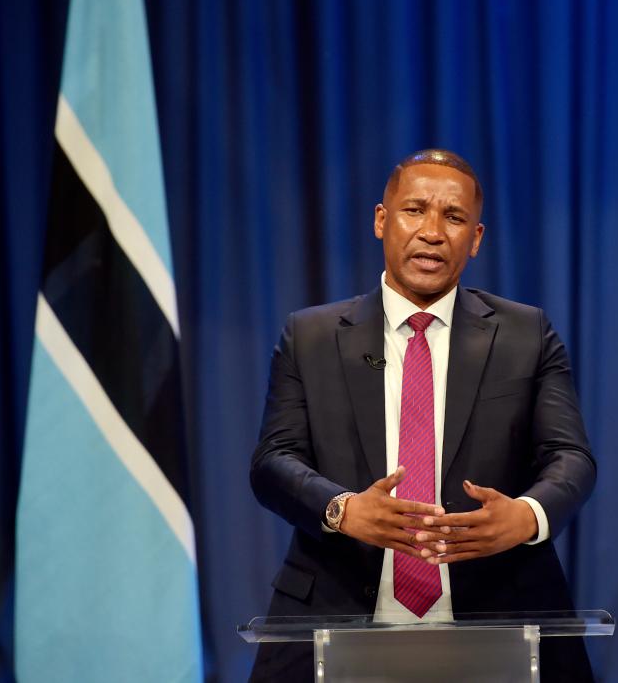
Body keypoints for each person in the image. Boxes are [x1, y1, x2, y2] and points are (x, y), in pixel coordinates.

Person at [249, 149, 596, 681]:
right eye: (415, 210)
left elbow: (571, 457)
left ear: (475, 238)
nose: (432, 232)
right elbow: (273, 461)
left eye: (453, 217)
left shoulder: (527, 334)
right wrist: (342, 510)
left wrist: (526, 516)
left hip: (501, 616)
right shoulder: (310, 336)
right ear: (381, 220)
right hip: (334, 614)